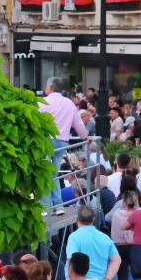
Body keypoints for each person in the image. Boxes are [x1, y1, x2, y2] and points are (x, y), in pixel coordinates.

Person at [39, 77, 89, 213]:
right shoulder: (69, 103)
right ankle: (58, 205)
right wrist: (86, 136)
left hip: (45, 141)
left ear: (50, 87)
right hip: (62, 142)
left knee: (43, 173)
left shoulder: (43, 102)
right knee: (54, 173)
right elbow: (78, 124)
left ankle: (44, 207)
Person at [66, 206, 120, 280]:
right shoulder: (105, 237)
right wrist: (107, 279)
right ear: (93, 219)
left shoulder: (74, 237)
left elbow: (71, 259)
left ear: (77, 219)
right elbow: (117, 260)